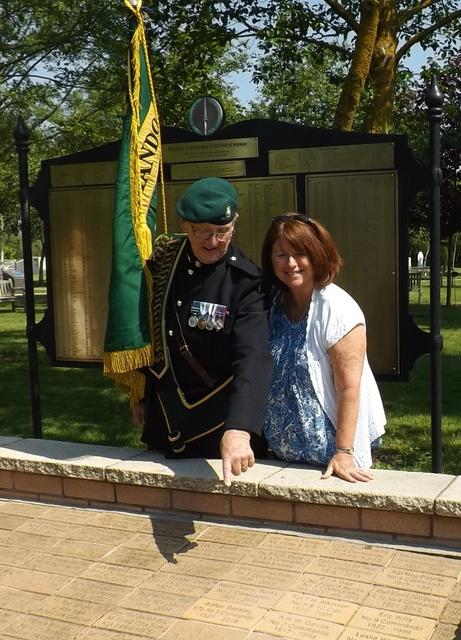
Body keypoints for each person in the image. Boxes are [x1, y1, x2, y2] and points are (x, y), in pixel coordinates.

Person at [132, 177, 273, 486]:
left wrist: (239, 429)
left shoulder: (245, 283)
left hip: (214, 429)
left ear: (234, 225)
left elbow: (253, 359)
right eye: (202, 232)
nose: (213, 241)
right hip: (164, 420)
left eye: (222, 232)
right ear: (185, 225)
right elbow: (148, 327)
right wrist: (138, 392)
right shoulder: (165, 261)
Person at [260, 213, 386, 483]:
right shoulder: (276, 305)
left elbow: (349, 388)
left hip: (328, 464)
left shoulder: (337, 308)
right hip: (283, 461)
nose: (291, 263)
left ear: (318, 255)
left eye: (299, 254)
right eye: (281, 254)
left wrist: (343, 453)